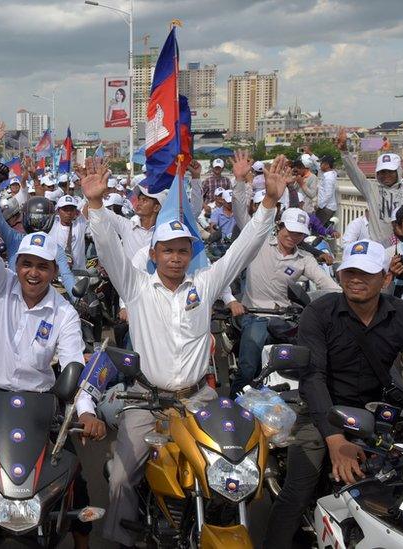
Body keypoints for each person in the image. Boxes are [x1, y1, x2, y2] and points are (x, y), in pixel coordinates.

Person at [83, 153, 288, 548]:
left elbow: (241, 251)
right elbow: (108, 250)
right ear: (154, 254)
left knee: (233, 463)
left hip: (199, 399)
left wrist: (268, 204)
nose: (175, 257)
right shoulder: (137, 287)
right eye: (168, 250)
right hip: (147, 402)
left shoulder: (205, 284)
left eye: (182, 250)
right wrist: (94, 205)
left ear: (189, 253)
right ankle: (121, 539)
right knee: (124, 477)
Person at [0, 186, 104, 549]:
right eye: (26, 264)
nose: (33, 273)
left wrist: (85, 411)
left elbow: (74, 362)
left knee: (71, 475)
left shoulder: (64, 313)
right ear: (16, 265)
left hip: (39, 402)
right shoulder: (0, 285)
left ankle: (80, 540)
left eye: (42, 266)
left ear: (54, 270)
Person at [265, 239, 403, 547]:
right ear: (339, 275)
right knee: (297, 490)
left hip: (376, 413)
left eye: (366, 273)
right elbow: (313, 377)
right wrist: (335, 439)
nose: (356, 279)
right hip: (321, 411)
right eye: (349, 271)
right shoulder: (319, 312)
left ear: (385, 278)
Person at [230, 207, 340, 398]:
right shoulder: (258, 244)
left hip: (285, 318)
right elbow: (242, 217)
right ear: (279, 226)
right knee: (248, 366)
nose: (293, 236)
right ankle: (233, 403)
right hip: (254, 315)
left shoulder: (304, 259)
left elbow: (326, 283)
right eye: (290, 230)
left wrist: (348, 299)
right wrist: (240, 183)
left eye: (299, 233)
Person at [0, 165, 77, 294]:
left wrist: (77, 298)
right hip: (14, 301)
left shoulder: (15, 238)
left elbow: (67, 276)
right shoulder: (15, 238)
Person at [338, 128, 403, 246]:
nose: (386, 175)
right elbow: (354, 172)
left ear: (398, 171)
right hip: (378, 247)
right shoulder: (371, 188)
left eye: (390, 171)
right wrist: (344, 152)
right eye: (382, 172)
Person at [49, 194, 89, 271]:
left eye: (71, 209)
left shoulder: (80, 224)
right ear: (58, 211)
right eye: (65, 209)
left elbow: (85, 209)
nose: (69, 213)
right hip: (58, 274)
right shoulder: (52, 226)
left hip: (79, 273)